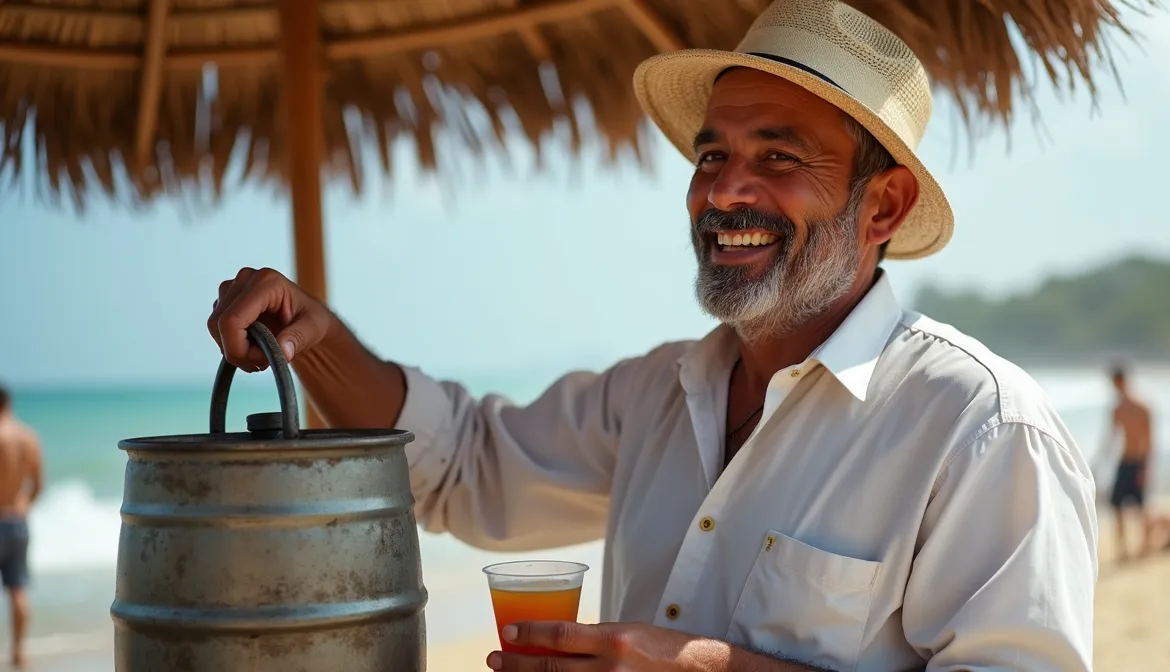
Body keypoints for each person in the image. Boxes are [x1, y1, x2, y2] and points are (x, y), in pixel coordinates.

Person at [208, 0, 1098, 669]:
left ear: (885, 205)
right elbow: (462, 463)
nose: (725, 192)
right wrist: (316, 341)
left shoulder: (980, 427)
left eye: (779, 158)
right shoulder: (655, 397)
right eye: (713, 156)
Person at [0, 385, 41, 670]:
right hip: (17, 520)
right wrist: (23, 505)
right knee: (17, 589)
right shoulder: (28, 436)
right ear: (9, 403)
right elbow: (37, 485)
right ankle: (19, 652)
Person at [1107, 363, 1154, 562]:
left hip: (1138, 461)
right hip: (1124, 460)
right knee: (1116, 505)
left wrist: (1146, 467)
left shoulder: (1142, 406)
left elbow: (1149, 440)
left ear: (1122, 380)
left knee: (1141, 507)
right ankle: (1123, 549)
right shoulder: (1117, 409)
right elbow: (1112, 438)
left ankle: (1145, 546)